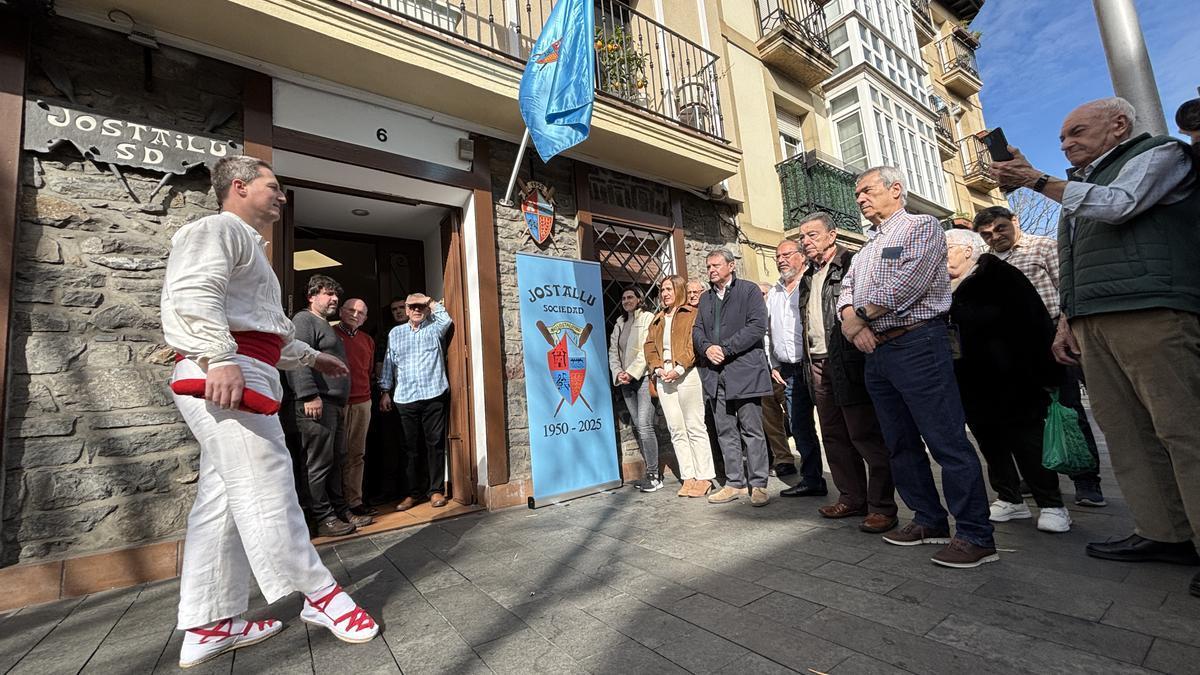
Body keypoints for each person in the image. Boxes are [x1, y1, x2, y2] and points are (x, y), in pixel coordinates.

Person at [162, 156, 378, 667]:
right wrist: (216, 356)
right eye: (273, 186)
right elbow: (193, 292)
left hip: (240, 368)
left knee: (221, 501)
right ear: (238, 186)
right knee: (269, 486)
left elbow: (261, 331)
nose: (281, 196)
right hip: (225, 372)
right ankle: (321, 596)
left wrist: (310, 356)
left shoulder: (248, 247)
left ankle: (208, 623)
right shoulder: (217, 229)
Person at [991, 97, 1200, 594]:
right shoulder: (1080, 188)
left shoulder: (1160, 155)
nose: (1067, 143)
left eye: (1077, 132)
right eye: (1063, 137)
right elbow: (1074, 259)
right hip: (1094, 321)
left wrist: (1037, 180)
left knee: (1184, 429)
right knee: (1127, 433)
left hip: (1151, 310)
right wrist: (1068, 320)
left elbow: (1121, 205)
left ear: (1119, 125)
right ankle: (1163, 532)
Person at [837, 165, 996, 569]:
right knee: (899, 442)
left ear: (896, 189)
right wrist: (855, 327)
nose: (860, 198)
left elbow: (910, 282)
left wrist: (859, 317)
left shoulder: (921, 227)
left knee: (945, 440)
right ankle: (928, 519)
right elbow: (847, 289)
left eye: (867, 190)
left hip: (918, 344)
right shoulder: (867, 246)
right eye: (858, 194)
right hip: (878, 352)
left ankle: (976, 533)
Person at [973, 206, 1105, 508]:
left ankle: (1086, 480)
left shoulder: (1042, 247)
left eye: (1000, 228)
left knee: (1067, 410)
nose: (995, 237)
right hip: (1010, 349)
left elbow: (1067, 291)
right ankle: (1039, 477)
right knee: (1028, 416)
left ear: (1014, 222)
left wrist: (1065, 329)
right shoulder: (988, 263)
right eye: (986, 234)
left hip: (1051, 338)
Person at [945, 229, 1070, 533]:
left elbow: (1035, 320)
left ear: (967, 250)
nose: (942, 254)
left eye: (947, 247)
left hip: (1014, 377)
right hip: (969, 379)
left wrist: (1046, 373)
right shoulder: (944, 286)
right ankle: (1009, 497)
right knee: (989, 441)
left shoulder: (1000, 275)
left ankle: (1052, 504)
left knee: (1026, 440)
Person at [795, 213, 897, 534]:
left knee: (865, 435)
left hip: (849, 361)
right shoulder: (807, 277)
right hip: (817, 364)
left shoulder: (853, 264)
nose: (806, 241)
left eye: (812, 235)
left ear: (831, 235)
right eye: (803, 237)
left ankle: (882, 506)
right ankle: (852, 497)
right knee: (834, 436)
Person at [281, 275, 370, 537]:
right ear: (311, 296)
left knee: (335, 459)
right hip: (316, 404)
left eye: (336, 295)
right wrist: (309, 395)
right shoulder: (303, 320)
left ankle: (340, 511)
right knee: (317, 463)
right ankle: (322, 518)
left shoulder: (324, 324)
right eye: (328, 294)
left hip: (333, 404)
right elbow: (297, 357)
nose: (334, 299)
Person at [693, 249, 773, 507]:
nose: (711, 270)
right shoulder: (705, 299)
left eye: (716, 265)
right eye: (708, 266)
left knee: (752, 430)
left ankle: (758, 484)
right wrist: (706, 348)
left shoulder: (748, 291)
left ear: (731, 266)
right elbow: (697, 330)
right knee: (725, 430)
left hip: (745, 371)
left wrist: (725, 349)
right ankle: (735, 483)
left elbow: (757, 326)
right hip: (716, 375)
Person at [380, 293, 453, 510]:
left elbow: (446, 319)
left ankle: (435, 490)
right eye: (412, 307)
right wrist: (385, 390)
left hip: (433, 395)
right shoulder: (396, 333)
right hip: (405, 397)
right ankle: (412, 493)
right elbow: (388, 363)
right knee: (409, 448)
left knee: (435, 445)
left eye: (421, 307)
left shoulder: (434, 328)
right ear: (407, 310)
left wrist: (429, 300)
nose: (416, 310)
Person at [645, 275, 714, 497]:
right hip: (664, 378)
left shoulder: (691, 314)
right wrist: (657, 369)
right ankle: (688, 476)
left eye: (669, 289)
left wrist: (680, 368)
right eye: (662, 290)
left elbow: (692, 344)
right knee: (676, 429)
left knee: (695, 426)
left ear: (679, 290)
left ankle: (704, 477)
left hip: (686, 375)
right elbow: (649, 348)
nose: (665, 294)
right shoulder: (657, 320)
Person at [766, 240, 825, 495]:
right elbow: (767, 331)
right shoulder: (775, 293)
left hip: (815, 364)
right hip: (788, 370)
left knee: (834, 426)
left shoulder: (811, 283)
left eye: (787, 254)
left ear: (801, 257)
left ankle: (852, 487)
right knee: (800, 426)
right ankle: (812, 480)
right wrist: (774, 363)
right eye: (777, 255)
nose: (781, 259)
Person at [608, 287, 661, 492]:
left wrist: (631, 372)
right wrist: (618, 372)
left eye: (630, 297)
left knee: (645, 425)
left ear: (640, 299)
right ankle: (650, 471)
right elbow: (613, 351)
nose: (626, 300)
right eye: (623, 298)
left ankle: (655, 476)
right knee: (638, 426)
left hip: (643, 378)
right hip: (625, 382)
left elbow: (647, 349)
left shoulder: (648, 318)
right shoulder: (620, 323)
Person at [336, 298, 376, 518]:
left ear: (365, 318)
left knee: (356, 454)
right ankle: (336, 504)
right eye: (351, 310)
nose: (355, 315)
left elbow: (367, 370)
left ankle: (354, 501)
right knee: (337, 454)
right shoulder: (330, 335)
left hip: (363, 402)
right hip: (338, 403)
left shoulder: (367, 340)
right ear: (342, 311)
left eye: (360, 313)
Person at [757, 281, 798, 479]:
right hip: (763, 373)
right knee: (771, 419)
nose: (761, 297)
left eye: (763, 293)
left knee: (795, 415)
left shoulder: (778, 309)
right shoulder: (755, 315)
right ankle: (783, 459)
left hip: (784, 369)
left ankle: (808, 456)